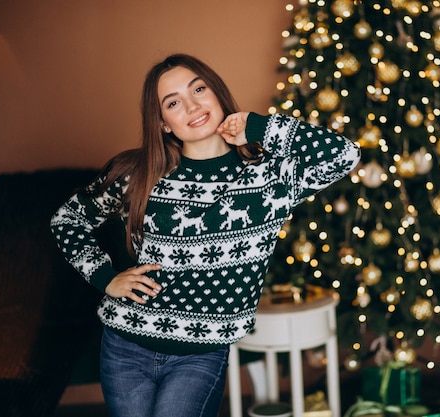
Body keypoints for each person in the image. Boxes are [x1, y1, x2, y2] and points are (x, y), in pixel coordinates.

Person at [50, 53, 361, 417]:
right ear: (163, 123)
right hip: (124, 346)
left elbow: (345, 154)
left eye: (199, 89)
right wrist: (106, 279)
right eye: (173, 102)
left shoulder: (270, 177)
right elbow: (67, 219)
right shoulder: (138, 172)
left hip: (200, 353)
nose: (192, 105)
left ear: (217, 93)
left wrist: (258, 127)